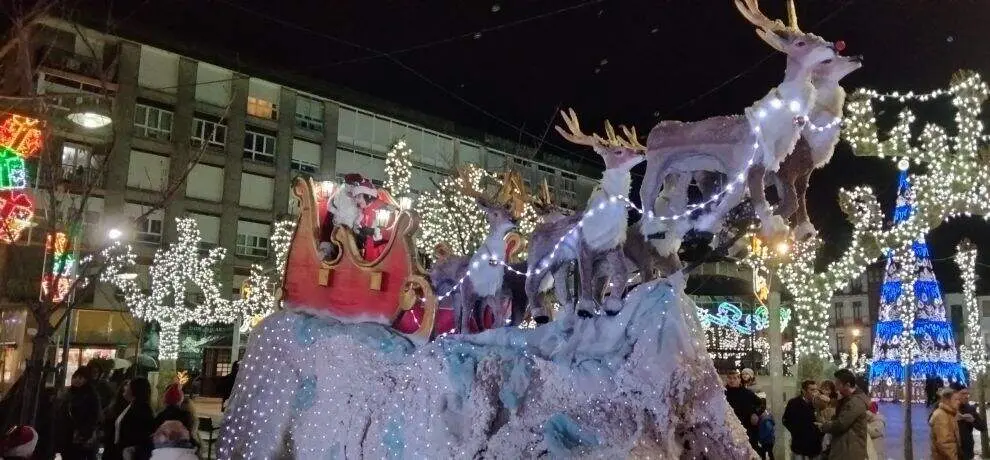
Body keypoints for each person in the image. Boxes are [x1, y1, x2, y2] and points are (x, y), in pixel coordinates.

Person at [819, 369, 870, 460]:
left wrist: (823, 426)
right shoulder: (848, 399)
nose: (836, 389)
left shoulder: (855, 402)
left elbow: (841, 424)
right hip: (846, 448)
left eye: (838, 385)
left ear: (847, 385)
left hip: (849, 451)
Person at [55, 367, 103, 460]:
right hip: (66, 436)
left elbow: (94, 416)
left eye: (81, 378)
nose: (77, 380)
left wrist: (84, 432)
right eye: (75, 377)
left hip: (80, 438)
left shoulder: (91, 395)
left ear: (86, 380)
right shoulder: (68, 393)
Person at [114, 378, 155, 460]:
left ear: (135, 389)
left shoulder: (142, 410)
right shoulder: (130, 406)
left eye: (128, 385)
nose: (124, 387)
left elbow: (140, 436)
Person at [782, 380, 823, 460]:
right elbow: (785, 420)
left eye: (816, 389)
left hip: (815, 446)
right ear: (804, 391)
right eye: (812, 390)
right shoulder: (794, 403)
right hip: (799, 445)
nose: (815, 392)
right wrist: (795, 432)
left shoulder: (818, 404)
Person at [724, 369, 761, 452]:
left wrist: (754, 413)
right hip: (728, 430)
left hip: (747, 430)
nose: (732, 380)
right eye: (730, 378)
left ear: (739, 379)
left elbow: (760, 403)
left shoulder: (747, 393)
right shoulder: (722, 393)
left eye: (734, 378)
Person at [951, 382, 986, 460]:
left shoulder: (969, 409)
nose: (966, 396)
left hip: (967, 450)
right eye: (963, 394)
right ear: (955, 394)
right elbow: (931, 420)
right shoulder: (945, 406)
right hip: (951, 450)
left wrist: (972, 420)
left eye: (967, 394)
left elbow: (983, 427)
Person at [929, 387, 961, 460]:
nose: (959, 402)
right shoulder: (941, 416)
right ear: (947, 400)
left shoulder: (950, 414)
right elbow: (945, 444)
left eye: (959, 399)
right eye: (955, 399)